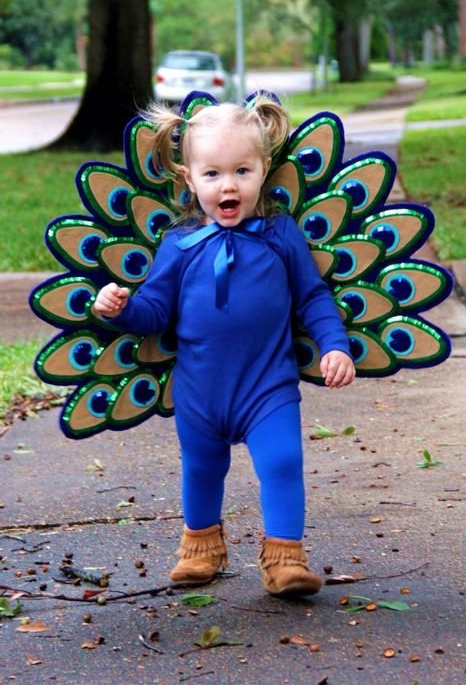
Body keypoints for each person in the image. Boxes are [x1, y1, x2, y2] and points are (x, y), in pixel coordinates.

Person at [92, 96, 355, 597]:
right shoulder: (179, 243)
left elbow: (313, 297)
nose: (229, 184)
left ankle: (284, 558)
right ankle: (201, 546)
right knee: (203, 466)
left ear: (263, 171)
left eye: (242, 170)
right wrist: (121, 307)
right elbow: (156, 312)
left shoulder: (282, 234)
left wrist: (333, 345)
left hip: (267, 387)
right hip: (199, 391)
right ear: (190, 180)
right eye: (212, 174)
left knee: (282, 461)